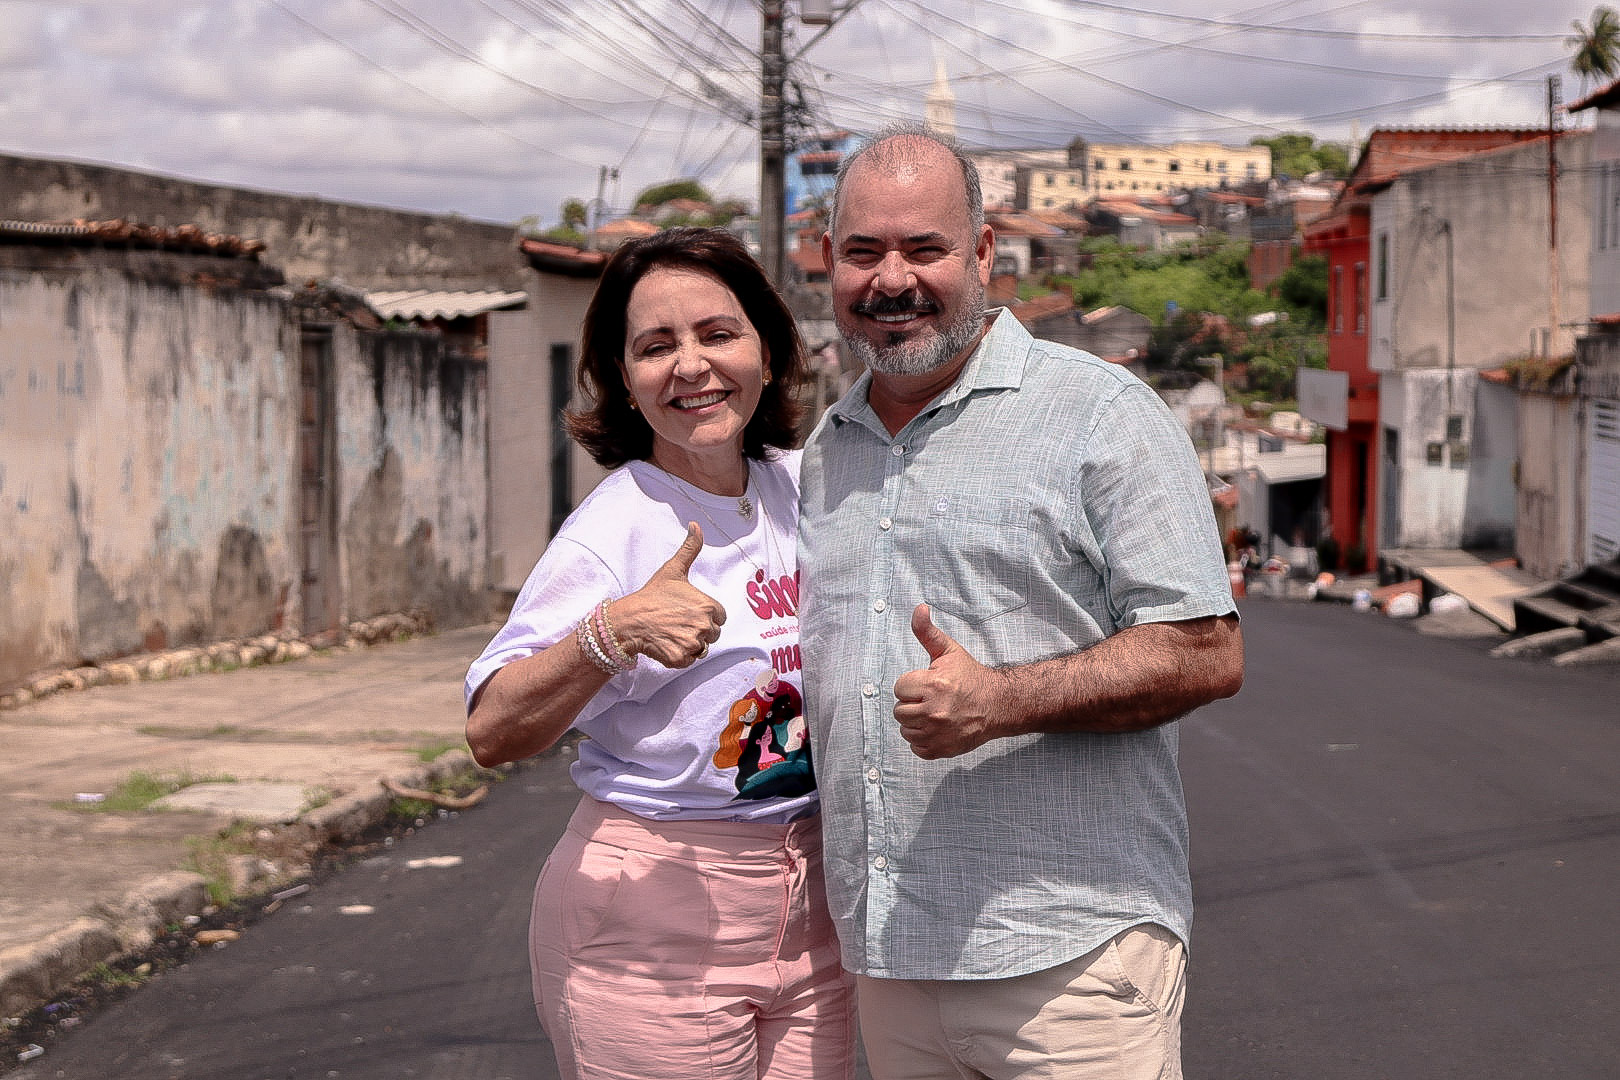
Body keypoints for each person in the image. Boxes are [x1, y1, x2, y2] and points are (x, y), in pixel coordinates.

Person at [797, 125, 1245, 1079]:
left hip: (1067, 968)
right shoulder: (826, 451)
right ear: (829, 263)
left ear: (986, 254)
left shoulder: (1101, 414)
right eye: (863, 251)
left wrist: (1001, 699)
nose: (891, 279)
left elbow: (1206, 649)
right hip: (889, 965)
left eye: (925, 248)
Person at [465, 227, 855, 1080]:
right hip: (651, 922)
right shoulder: (616, 529)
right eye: (655, 347)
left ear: (767, 347)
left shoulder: (806, 487)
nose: (691, 366)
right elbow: (493, 727)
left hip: (817, 906)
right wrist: (613, 633)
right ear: (624, 380)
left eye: (717, 334)